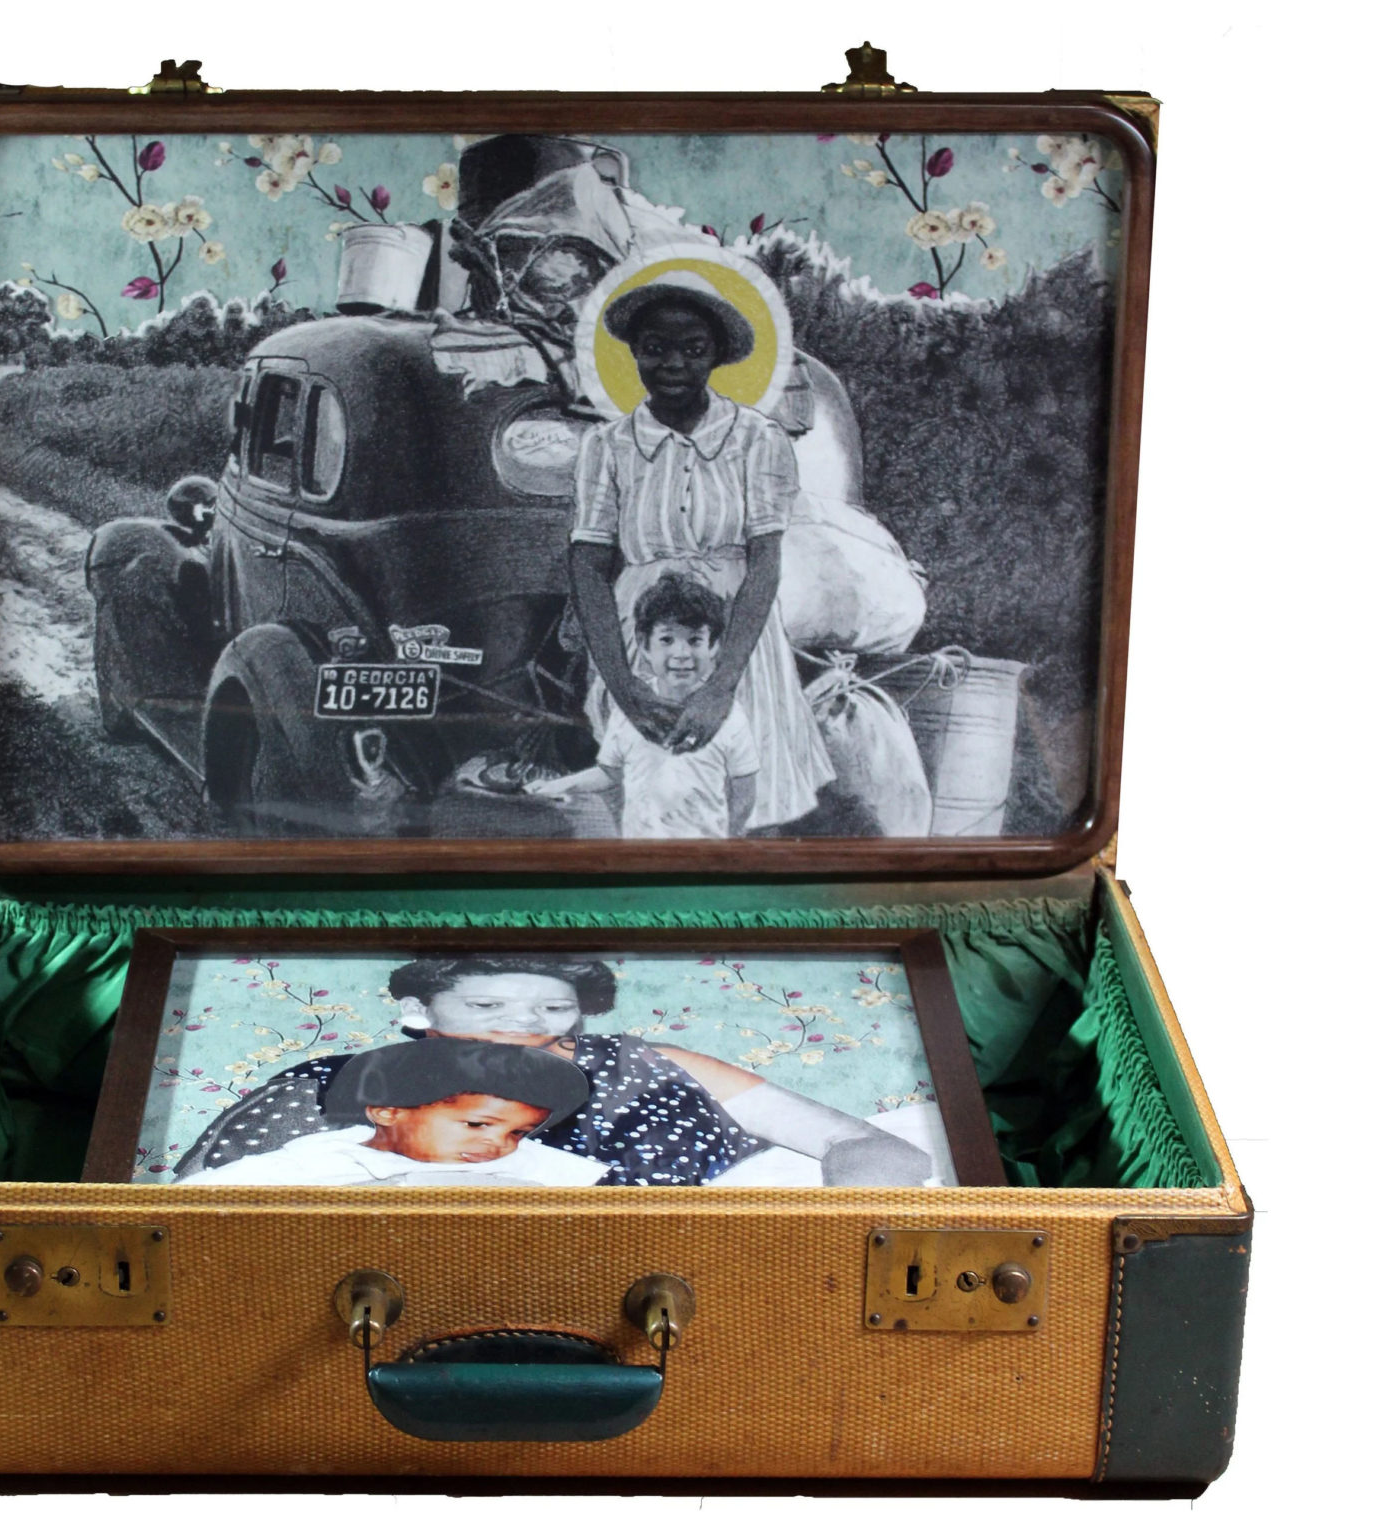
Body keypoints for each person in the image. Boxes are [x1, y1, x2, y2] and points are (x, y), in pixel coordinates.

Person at [169, 955, 932, 1187]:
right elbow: (196, 1206)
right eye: (488, 1006)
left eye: (553, 1008)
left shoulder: (644, 1064)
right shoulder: (340, 1084)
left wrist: (830, 1240)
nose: (525, 1028)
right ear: (416, 1012)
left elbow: (866, 1146)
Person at [568, 267, 835, 831]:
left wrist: (720, 687)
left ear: (716, 356)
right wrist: (626, 689)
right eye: (655, 348)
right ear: (633, 353)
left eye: (693, 350)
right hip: (642, 638)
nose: (673, 364)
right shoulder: (607, 446)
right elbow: (588, 566)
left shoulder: (757, 439)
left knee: (747, 797)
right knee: (650, 795)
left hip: (737, 641)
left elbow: (764, 563)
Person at [177, 1037, 605, 1187]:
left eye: (518, 1132)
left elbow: (606, 1212)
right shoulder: (315, 1161)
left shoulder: (535, 1166)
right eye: (477, 1124)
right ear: (387, 1112)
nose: (498, 1143)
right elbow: (191, 1205)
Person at [531, 572, 757, 837]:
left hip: (704, 849)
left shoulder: (728, 716)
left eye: (695, 640)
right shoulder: (628, 712)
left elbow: (744, 791)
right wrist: (557, 786)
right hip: (640, 846)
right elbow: (609, 774)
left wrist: (726, 842)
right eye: (667, 640)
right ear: (644, 645)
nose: (681, 654)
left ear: (714, 646)